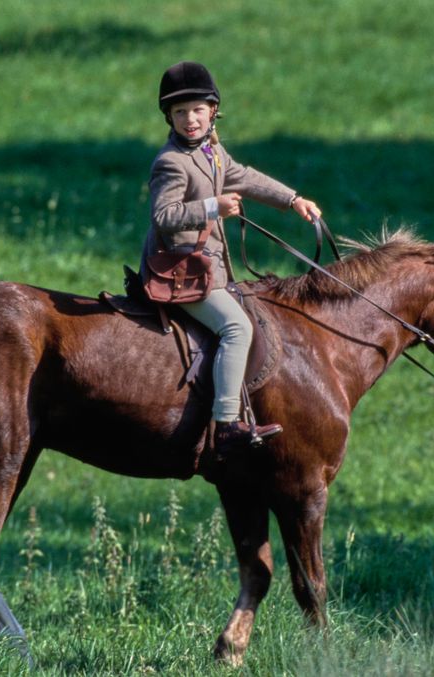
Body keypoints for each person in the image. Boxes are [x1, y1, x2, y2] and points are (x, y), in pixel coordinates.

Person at [141, 61, 322, 452]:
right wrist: (212, 208)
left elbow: (245, 176)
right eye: (180, 112)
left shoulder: (211, 150)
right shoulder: (170, 162)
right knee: (237, 328)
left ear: (213, 111)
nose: (190, 119)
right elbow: (163, 216)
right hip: (180, 271)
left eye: (198, 110)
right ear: (168, 117)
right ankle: (226, 424)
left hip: (212, 269)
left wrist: (292, 200)